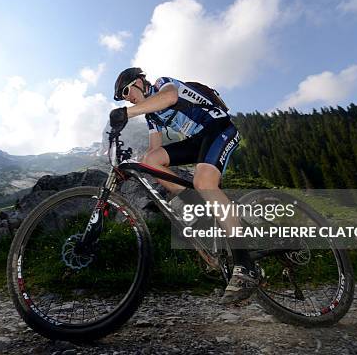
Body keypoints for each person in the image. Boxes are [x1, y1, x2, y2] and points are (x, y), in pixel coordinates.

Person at [109, 67, 259, 304]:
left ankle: (246, 265)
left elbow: (169, 98)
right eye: (123, 97)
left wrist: (126, 113)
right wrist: (131, 168)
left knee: (203, 181)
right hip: (198, 140)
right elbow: (153, 152)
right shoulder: (152, 116)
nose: (127, 97)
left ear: (139, 82)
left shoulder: (162, 84)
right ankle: (199, 210)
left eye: (126, 91)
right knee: (151, 161)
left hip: (219, 128)